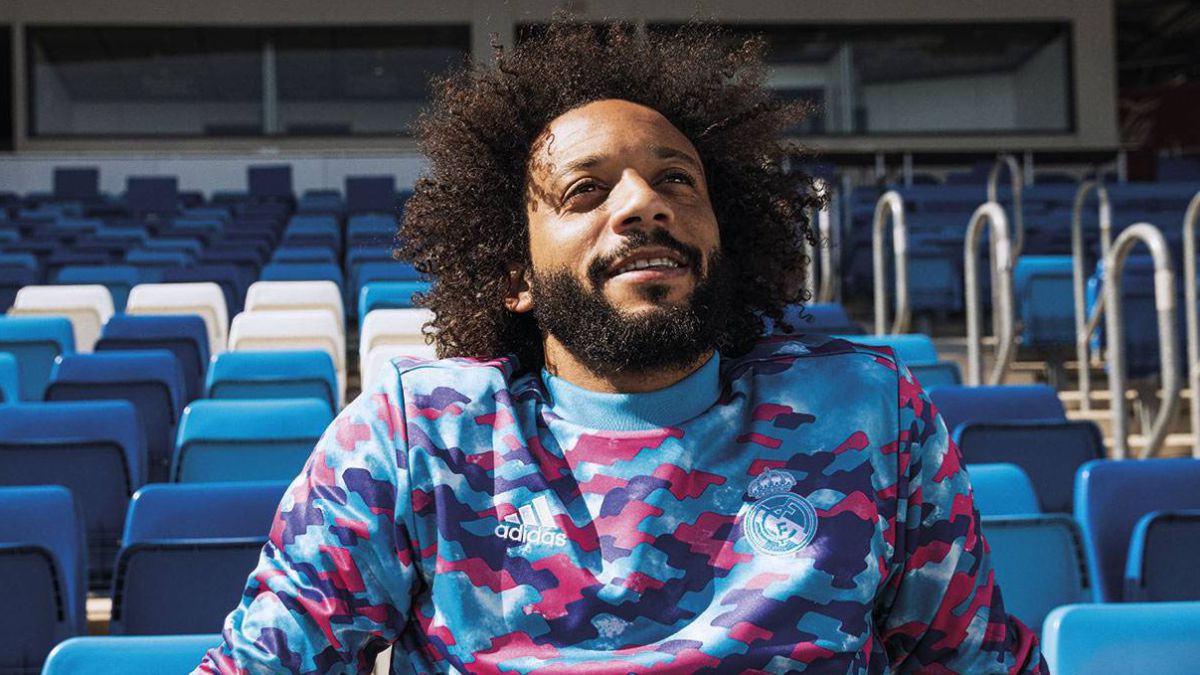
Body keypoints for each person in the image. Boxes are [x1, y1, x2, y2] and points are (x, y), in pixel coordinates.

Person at [198, 21, 1044, 674]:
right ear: (514, 273)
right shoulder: (419, 433)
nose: (643, 202)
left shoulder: (868, 412)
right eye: (585, 190)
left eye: (677, 178)